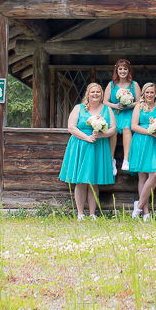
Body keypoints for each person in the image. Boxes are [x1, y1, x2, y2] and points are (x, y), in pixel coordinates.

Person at [59, 82, 117, 220]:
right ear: (88, 94)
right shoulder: (79, 108)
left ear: (101, 94)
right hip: (80, 145)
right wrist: (87, 137)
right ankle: (80, 214)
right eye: (93, 92)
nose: (95, 94)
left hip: (99, 145)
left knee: (94, 180)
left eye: (98, 92)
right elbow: (71, 127)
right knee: (81, 181)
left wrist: (101, 135)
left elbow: (113, 128)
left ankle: (92, 214)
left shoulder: (107, 109)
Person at [127, 82, 156, 221]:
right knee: (142, 177)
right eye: (147, 92)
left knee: (155, 173)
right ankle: (146, 213)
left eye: (151, 92)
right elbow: (134, 126)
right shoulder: (138, 107)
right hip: (141, 141)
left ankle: (139, 205)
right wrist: (151, 132)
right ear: (143, 94)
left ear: (155, 94)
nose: (149, 95)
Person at [103, 59, 140, 175]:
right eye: (120, 69)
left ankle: (126, 160)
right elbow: (104, 101)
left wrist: (129, 104)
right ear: (117, 70)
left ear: (129, 71)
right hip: (114, 113)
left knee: (127, 128)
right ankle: (111, 160)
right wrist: (115, 105)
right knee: (112, 131)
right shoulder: (111, 85)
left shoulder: (134, 85)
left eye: (125, 69)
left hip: (127, 113)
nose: (122, 71)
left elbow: (139, 102)